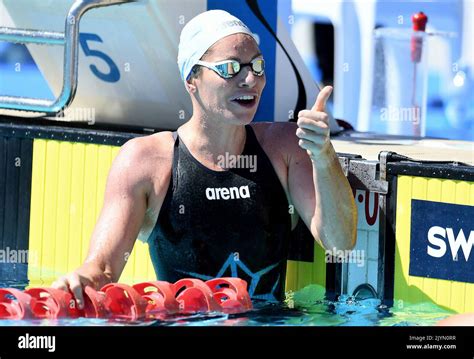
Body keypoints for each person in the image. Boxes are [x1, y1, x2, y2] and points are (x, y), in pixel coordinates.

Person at [53, 10, 357, 305]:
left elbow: (340, 243)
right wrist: (79, 282)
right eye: (230, 68)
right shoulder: (146, 162)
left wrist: (324, 155)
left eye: (258, 66)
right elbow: (103, 270)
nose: (251, 79)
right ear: (191, 79)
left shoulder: (284, 147)